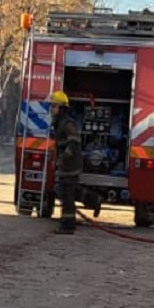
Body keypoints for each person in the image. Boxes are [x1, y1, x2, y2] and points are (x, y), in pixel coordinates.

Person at [49, 90, 84, 235]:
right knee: (67, 193)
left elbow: (74, 144)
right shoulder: (60, 122)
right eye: (51, 106)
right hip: (66, 165)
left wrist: (63, 159)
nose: (51, 109)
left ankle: (68, 225)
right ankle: (94, 200)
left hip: (70, 166)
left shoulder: (67, 124)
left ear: (62, 108)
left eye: (54, 106)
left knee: (67, 196)